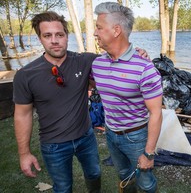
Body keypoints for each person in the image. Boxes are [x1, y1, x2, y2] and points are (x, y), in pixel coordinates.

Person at [13, 11, 149, 193]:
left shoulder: (85, 61)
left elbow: (117, 56)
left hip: (86, 137)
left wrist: (138, 52)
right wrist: (24, 153)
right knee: (62, 187)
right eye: (47, 35)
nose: (54, 40)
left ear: (66, 36)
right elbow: (22, 115)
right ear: (40, 38)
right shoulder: (26, 74)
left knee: (94, 174)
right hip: (53, 144)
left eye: (59, 35)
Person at [91, 2, 163, 193]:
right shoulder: (97, 64)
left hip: (136, 136)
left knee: (145, 183)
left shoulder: (144, 68)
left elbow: (156, 113)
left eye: (99, 27)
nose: (94, 33)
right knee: (124, 176)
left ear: (116, 30)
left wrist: (148, 153)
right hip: (110, 133)